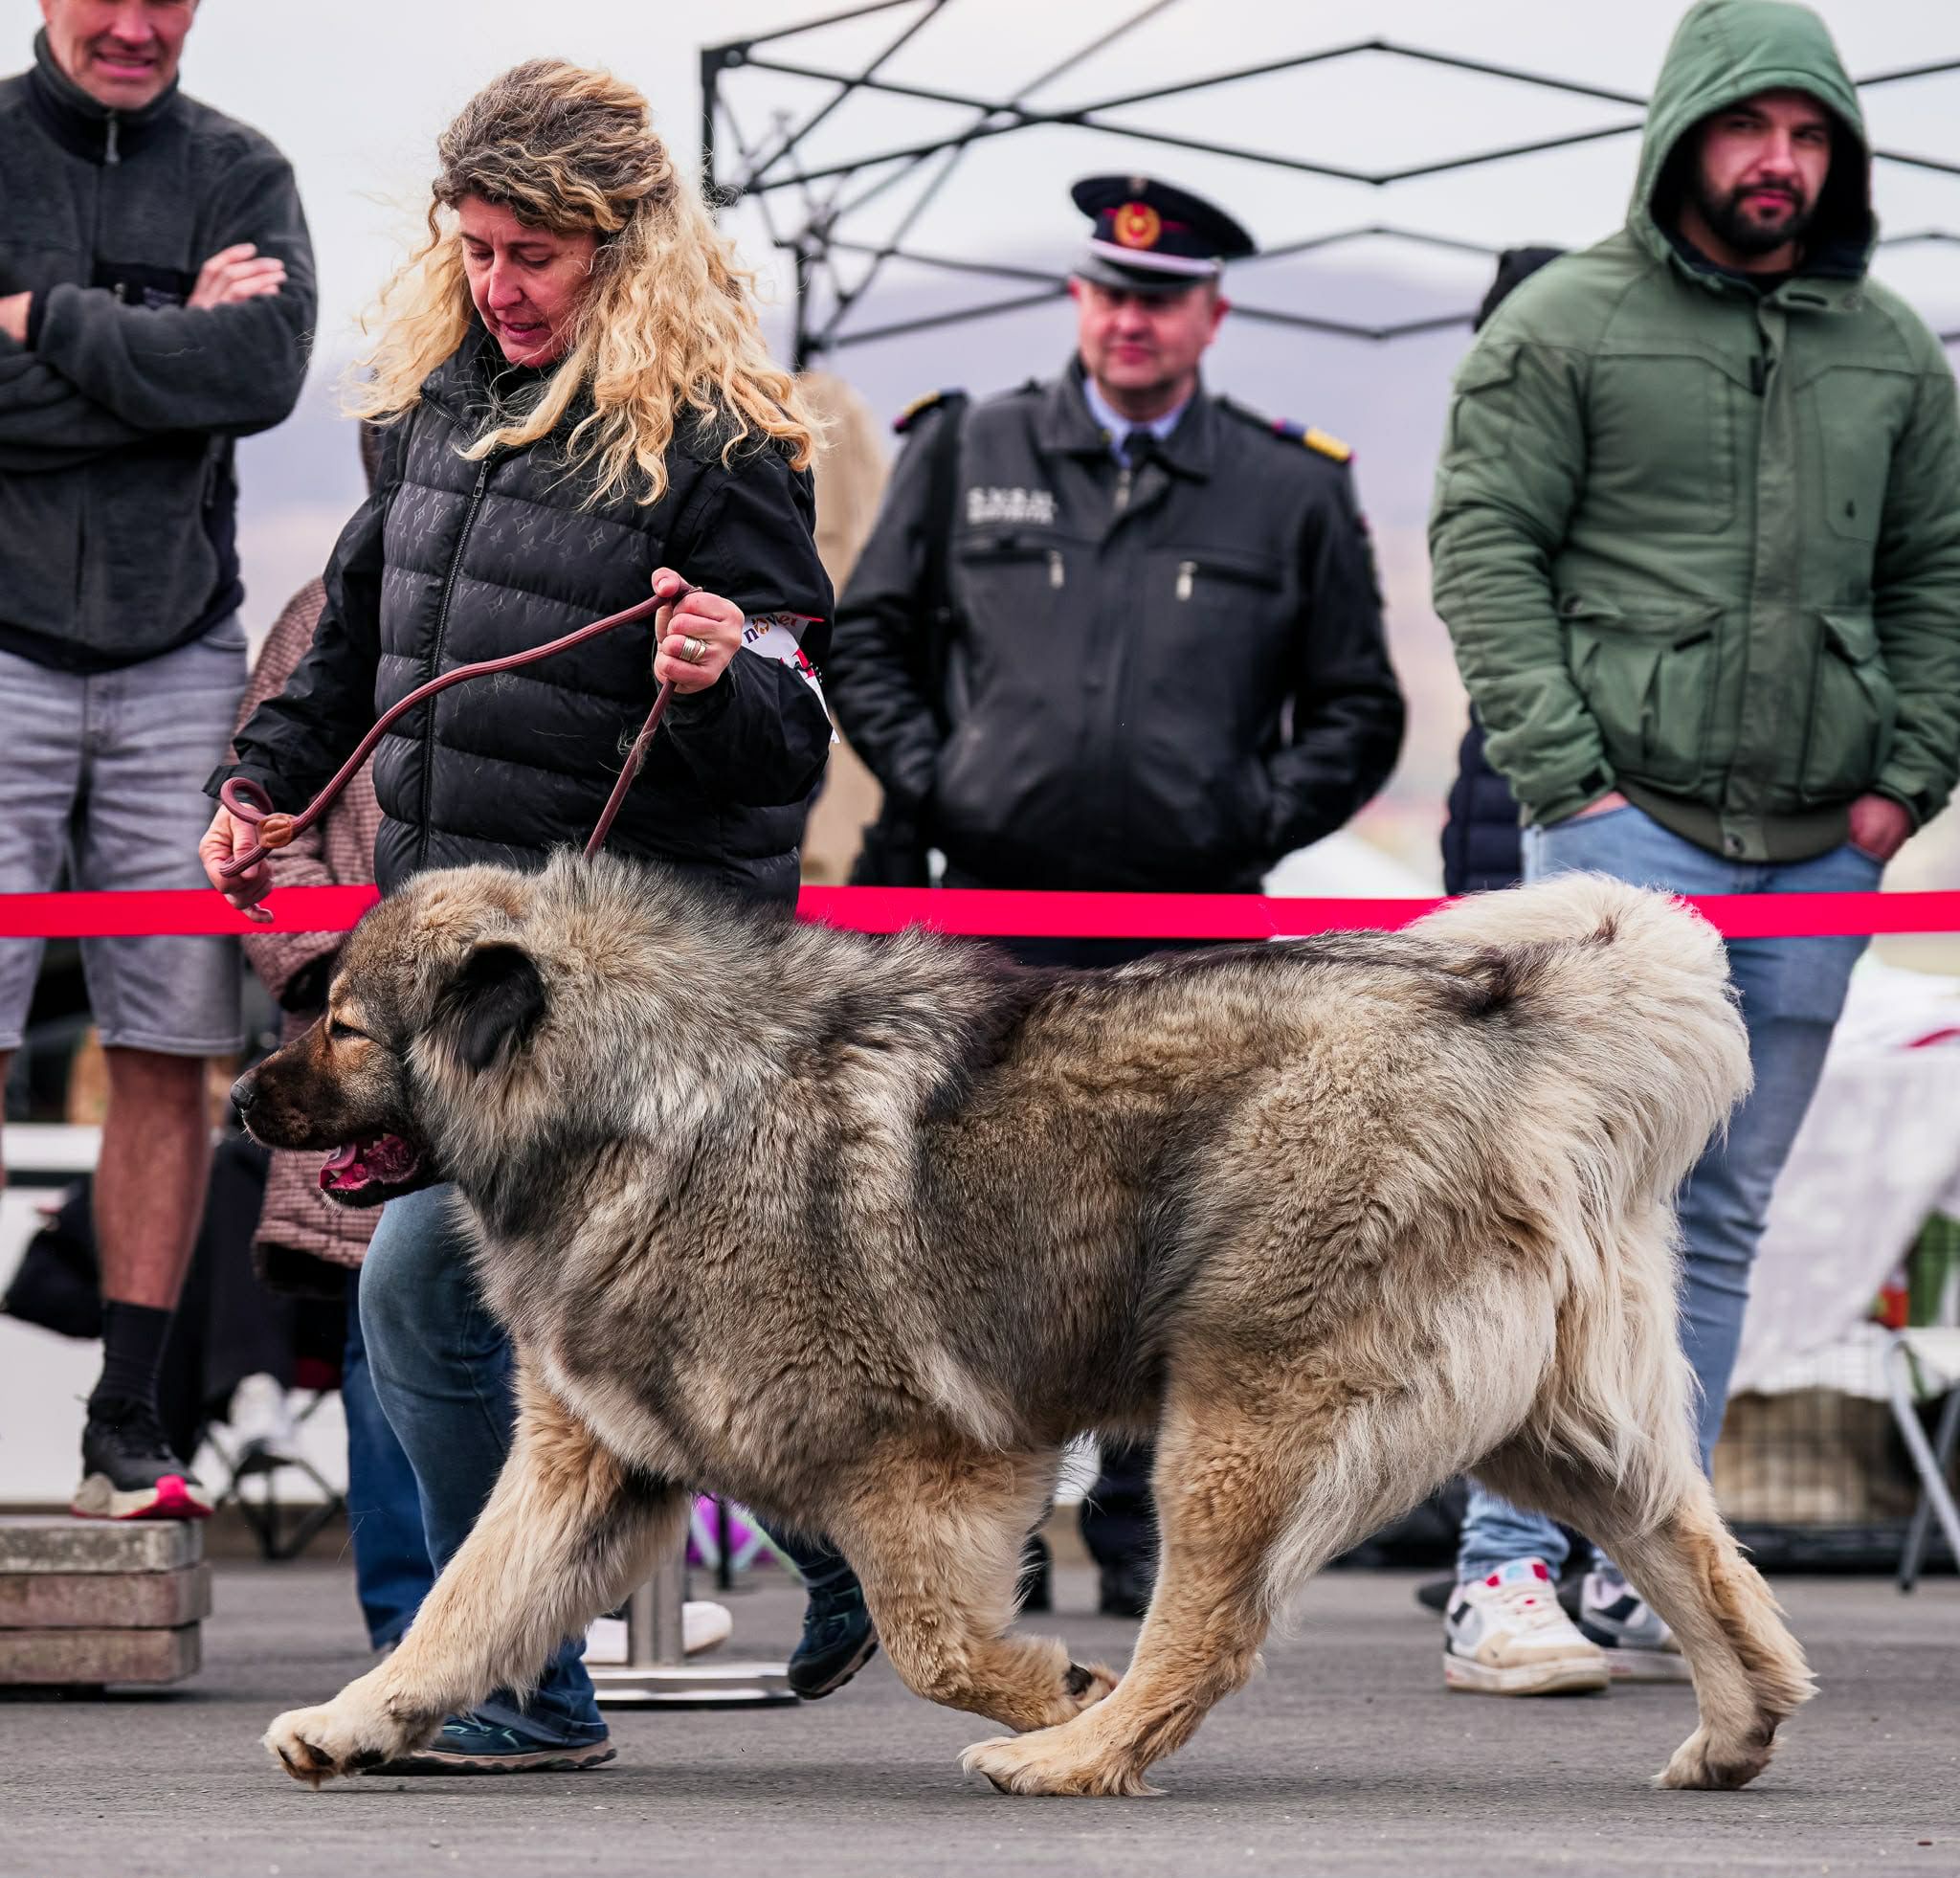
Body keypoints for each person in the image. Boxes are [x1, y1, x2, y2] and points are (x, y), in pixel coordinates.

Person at [202, 60, 832, 1772]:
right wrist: (266, 780)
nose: (499, 285)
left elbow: (790, 739)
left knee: (465, 1300)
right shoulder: (429, 405)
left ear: (626, 250)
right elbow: (352, 637)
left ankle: (550, 1665)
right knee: (485, 1312)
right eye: (475, 248)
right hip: (469, 978)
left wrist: (717, 675)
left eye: (536, 255)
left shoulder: (728, 450)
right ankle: (634, 1634)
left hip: (645, 988)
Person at [810, 173, 1404, 1688]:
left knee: (1182, 1236)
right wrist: (942, 777)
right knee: (992, 1230)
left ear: (1211, 314)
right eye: (1108, 291)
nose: (1130, 318)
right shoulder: (969, 445)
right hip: (992, 925)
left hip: (1194, 939)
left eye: (1162, 297)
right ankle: (982, 1538)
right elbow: (865, 639)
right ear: (1080, 300)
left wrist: (1242, 813)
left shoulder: (1291, 489)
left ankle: (1148, 1538)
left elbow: (1359, 710)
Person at [1430, 0, 1960, 1696]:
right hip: (1622, 834)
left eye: (1810, 138)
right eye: (1753, 132)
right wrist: (1572, 786)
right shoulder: (1566, 325)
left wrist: (1904, 788)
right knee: (1559, 1217)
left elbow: (1938, 573)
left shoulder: (1891, 346)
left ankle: (1636, 1570)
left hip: (1819, 849)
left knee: (1717, 1222)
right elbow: (1483, 546)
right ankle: (1503, 1579)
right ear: (1687, 136)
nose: (1780, 165)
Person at [0, 0, 315, 1519]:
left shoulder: (243, 168)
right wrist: (160, 344)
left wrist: (41, 321)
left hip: (182, 653)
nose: (136, 23)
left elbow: (255, 376)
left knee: (170, 1050)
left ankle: (130, 1422)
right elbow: (197, 373)